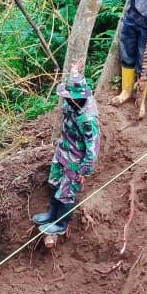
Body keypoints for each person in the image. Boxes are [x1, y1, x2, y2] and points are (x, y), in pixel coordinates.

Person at [31, 68, 100, 236]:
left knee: (68, 191)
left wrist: (84, 170)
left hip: (76, 159)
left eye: (69, 97)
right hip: (63, 149)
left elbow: (93, 147)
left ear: (78, 98)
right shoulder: (72, 103)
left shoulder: (88, 119)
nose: (66, 100)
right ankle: (51, 215)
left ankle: (61, 224)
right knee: (55, 182)